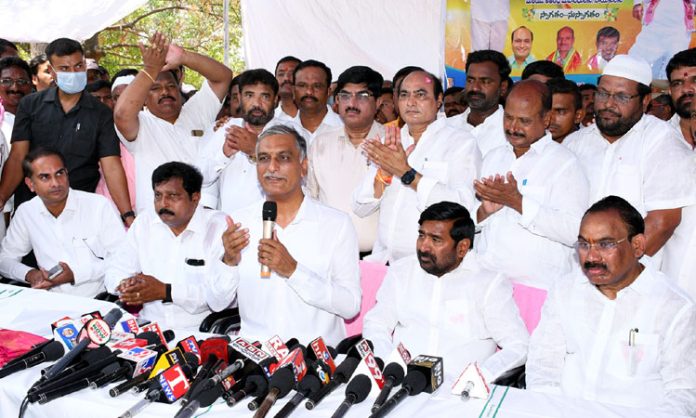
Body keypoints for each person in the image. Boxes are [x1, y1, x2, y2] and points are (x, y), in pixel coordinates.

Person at [526, 195, 696, 416]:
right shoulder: (564, 290)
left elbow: (683, 395)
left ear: (637, 245)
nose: (592, 256)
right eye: (584, 244)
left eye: (605, 244)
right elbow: (543, 368)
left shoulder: (674, 308)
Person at [222, 125, 361, 345]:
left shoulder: (336, 224)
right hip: (255, 354)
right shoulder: (237, 223)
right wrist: (228, 261)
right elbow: (217, 302)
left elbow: (350, 306)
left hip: (315, 358)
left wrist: (293, 271)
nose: (272, 167)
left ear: (303, 167)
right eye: (264, 158)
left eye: (284, 158)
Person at [363, 201, 529, 381]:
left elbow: (518, 345)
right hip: (401, 382)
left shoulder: (488, 283)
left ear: (462, 247)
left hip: (457, 393)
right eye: (421, 236)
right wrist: (390, 364)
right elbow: (376, 323)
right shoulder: (401, 272)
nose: (424, 247)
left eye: (435, 240)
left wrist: (479, 377)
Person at [474, 80, 589, 331]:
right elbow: (477, 222)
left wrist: (518, 203)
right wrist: (484, 212)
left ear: (546, 119)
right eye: (509, 118)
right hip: (487, 284)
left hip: (536, 292)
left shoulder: (565, 164)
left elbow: (574, 231)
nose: (513, 128)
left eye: (524, 121)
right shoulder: (494, 156)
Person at [564, 55, 696, 265]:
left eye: (622, 97)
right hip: (575, 273)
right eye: (603, 94)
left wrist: (614, 272)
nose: (608, 104)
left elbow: (662, 222)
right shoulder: (573, 144)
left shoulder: (661, 140)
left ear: (645, 101)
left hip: (631, 279)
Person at [0, 38, 133, 224]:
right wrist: (2, 198)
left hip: (80, 208)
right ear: (52, 72)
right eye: (64, 68)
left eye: (78, 66)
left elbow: (111, 165)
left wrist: (127, 214)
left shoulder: (101, 113)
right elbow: (17, 157)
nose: (73, 73)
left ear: (85, 65)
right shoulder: (30, 105)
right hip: (34, 207)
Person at [354, 70, 480, 263]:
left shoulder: (461, 143)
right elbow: (360, 207)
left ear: (439, 100)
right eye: (404, 95)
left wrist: (406, 173)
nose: (411, 102)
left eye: (420, 95)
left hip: (431, 265)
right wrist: (384, 174)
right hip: (384, 260)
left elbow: (463, 207)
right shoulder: (392, 139)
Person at [106, 162, 237, 331]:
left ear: (195, 198)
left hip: (202, 331)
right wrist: (126, 285)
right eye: (158, 196)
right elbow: (114, 272)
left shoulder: (219, 227)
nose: (163, 204)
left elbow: (218, 299)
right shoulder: (145, 222)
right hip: (150, 329)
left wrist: (167, 291)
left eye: (173, 196)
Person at [114, 32, 232, 215]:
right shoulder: (141, 125)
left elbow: (223, 76)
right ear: (143, 99)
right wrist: (150, 69)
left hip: (203, 218)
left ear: (179, 89)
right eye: (155, 88)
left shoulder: (196, 111)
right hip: (159, 223)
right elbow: (121, 114)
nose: (165, 92)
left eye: (170, 86)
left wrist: (184, 56)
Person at [0, 148, 125, 297]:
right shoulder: (27, 212)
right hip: (51, 302)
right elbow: (5, 260)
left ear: (67, 173)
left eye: (59, 173)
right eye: (45, 177)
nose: (55, 183)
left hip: (100, 299)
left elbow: (124, 259)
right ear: (30, 184)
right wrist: (30, 274)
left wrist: (76, 274)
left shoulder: (98, 206)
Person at [308, 66, 385, 256]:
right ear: (336, 101)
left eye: (362, 96)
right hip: (328, 253)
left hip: (378, 259)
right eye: (345, 95)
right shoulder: (321, 143)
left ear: (379, 102)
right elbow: (310, 197)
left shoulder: (391, 143)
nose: (352, 103)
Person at [196, 69, 279, 212]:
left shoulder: (290, 133)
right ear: (239, 98)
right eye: (249, 95)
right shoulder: (226, 128)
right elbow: (199, 178)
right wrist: (223, 154)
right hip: (230, 226)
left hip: (272, 226)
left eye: (264, 96)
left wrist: (256, 150)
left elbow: (296, 180)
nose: (256, 104)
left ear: (276, 100)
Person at [449, 50, 509, 157]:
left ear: (503, 87)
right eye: (470, 80)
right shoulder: (446, 127)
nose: (475, 87)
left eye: (485, 81)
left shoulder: (511, 132)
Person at [629, 0, 694, 80]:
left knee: (675, 62)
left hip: (679, 30)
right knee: (640, 58)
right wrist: (637, 3)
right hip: (654, 26)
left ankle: (665, 88)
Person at [287, 59, 342, 144]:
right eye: (302, 85)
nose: (309, 91)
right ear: (293, 91)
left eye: (317, 86)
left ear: (328, 92)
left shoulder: (346, 128)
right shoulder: (282, 131)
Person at [665, 48, 696, 150]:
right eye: (677, 83)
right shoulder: (657, 137)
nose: (686, 89)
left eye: (695, 80)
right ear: (670, 90)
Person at [0, 57, 32, 144]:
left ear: (31, 84)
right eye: (6, 81)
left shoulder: (41, 115)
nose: (15, 88)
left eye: (22, 81)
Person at [547, 78, 585, 143]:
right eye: (546, 111)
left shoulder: (592, 150)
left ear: (578, 116)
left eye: (560, 112)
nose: (550, 118)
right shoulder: (528, 149)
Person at [274, 56, 300, 121]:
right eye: (281, 74)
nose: (286, 78)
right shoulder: (268, 119)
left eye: (292, 73)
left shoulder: (321, 115)